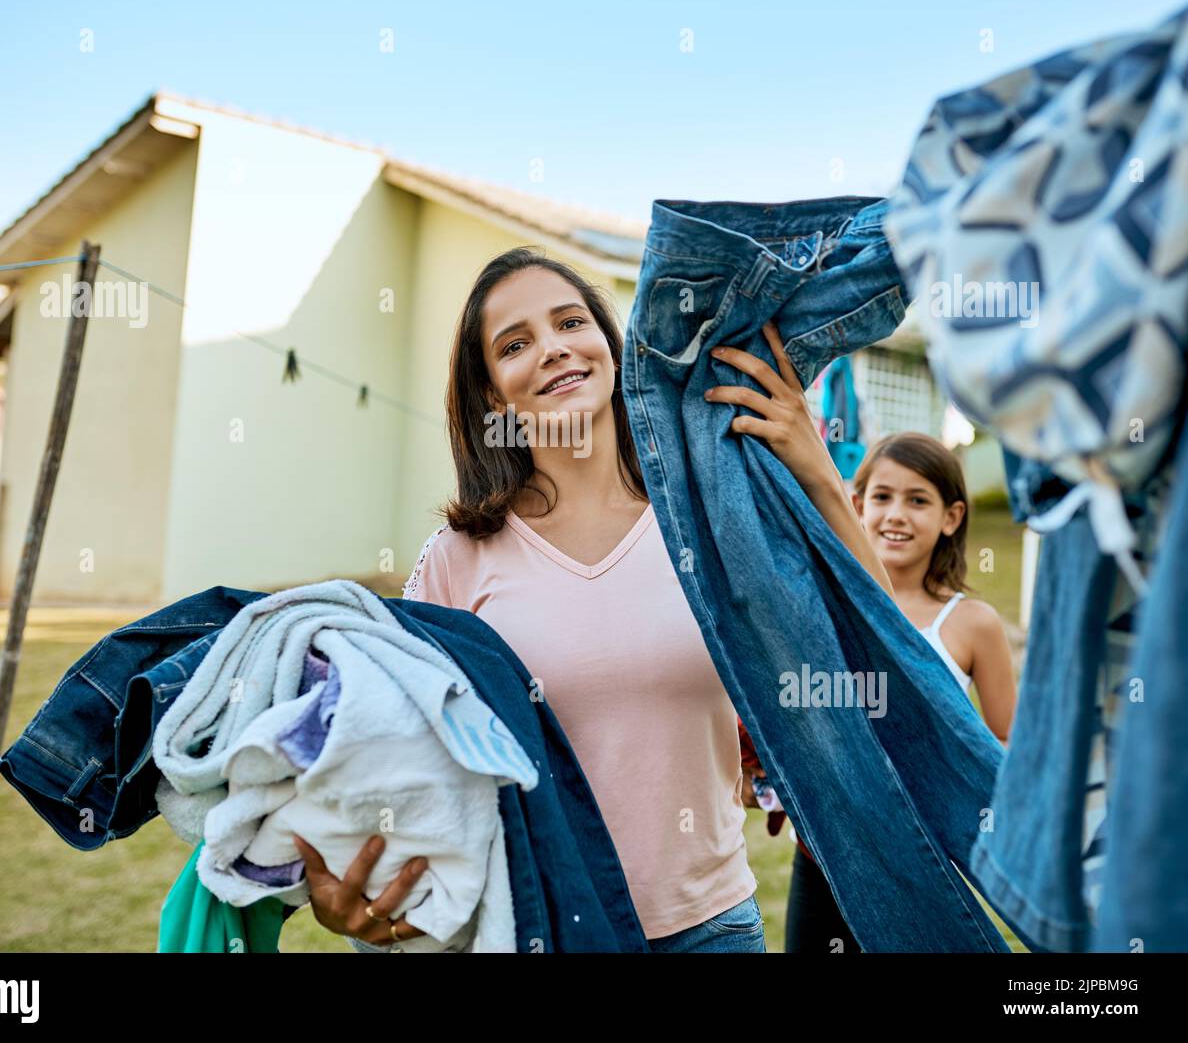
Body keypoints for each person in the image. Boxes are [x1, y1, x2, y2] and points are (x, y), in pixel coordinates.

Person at [291, 245, 893, 952]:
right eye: (515, 343)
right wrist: (349, 887)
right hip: (536, 929)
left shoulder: (707, 519)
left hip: (713, 930)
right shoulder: (456, 561)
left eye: (569, 322)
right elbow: (401, 756)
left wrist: (817, 470)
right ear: (492, 395)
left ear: (610, 347)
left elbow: (882, 650)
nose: (551, 349)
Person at [771, 431, 1018, 952]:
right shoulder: (820, 605)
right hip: (824, 856)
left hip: (923, 862)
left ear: (951, 517)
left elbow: (1002, 749)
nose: (896, 515)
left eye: (918, 500)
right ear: (856, 505)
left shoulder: (972, 624)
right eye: (882, 497)